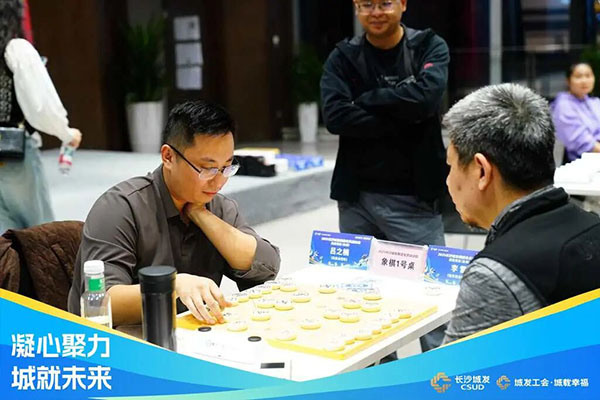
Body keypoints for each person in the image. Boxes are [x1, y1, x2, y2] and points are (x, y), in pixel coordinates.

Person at [68, 100, 281, 326]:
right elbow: (101, 303)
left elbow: (266, 268)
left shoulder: (216, 206)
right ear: (168, 157)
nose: (219, 181)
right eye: (207, 168)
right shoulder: (121, 207)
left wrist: (202, 215)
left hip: (190, 335)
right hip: (125, 341)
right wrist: (170, 286)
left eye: (226, 167)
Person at [442, 83, 600, 344]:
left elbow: (450, 370)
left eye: (451, 166)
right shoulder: (592, 225)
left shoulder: (494, 274)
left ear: (481, 171)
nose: (448, 181)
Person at [320, 0, 449, 247]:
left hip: (416, 199)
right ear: (356, 8)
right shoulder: (343, 56)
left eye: (385, 4)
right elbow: (335, 117)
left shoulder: (427, 46)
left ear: (403, 4)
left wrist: (365, 100)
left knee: (425, 272)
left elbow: (426, 100)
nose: (376, 13)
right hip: (356, 199)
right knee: (356, 273)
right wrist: (407, 117)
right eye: (367, 5)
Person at [0, 0, 82, 233]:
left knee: (4, 237)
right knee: (38, 234)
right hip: (14, 149)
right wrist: (66, 133)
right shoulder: (16, 50)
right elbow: (40, 106)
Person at [552, 62, 600, 161]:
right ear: (568, 81)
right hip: (584, 162)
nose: (584, 81)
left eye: (588, 75)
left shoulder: (595, 102)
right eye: (578, 76)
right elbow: (583, 143)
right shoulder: (563, 105)